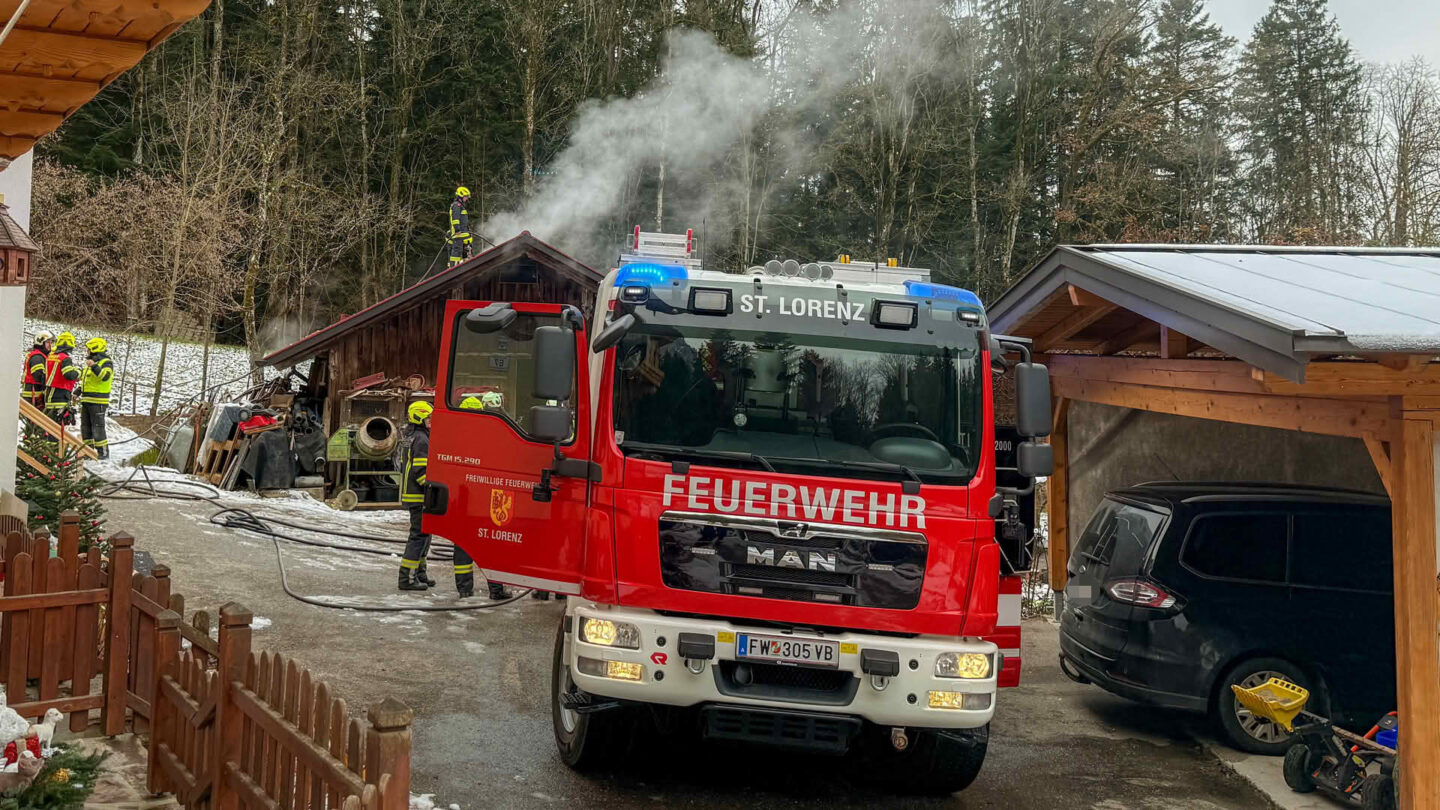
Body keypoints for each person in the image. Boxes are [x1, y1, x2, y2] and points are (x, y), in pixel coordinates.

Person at [399, 401, 435, 591]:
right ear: (419, 418)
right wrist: (434, 488)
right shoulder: (421, 439)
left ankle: (419, 574)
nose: (431, 421)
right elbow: (422, 472)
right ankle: (406, 578)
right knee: (418, 536)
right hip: (419, 496)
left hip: (415, 495)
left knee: (424, 536)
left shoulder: (415, 436)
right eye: (429, 418)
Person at [79, 337, 114, 459]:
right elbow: (85, 381)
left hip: (98, 401)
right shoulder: (90, 362)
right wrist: (77, 392)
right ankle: (88, 453)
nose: (87, 352)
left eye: (88, 349)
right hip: (86, 400)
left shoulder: (106, 362)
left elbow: (105, 376)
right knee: (85, 428)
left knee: (98, 428)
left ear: (95, 349)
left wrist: (94, 366)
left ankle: (103, 454)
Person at [43, 332, 80, 427]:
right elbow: (68, 375)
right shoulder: (65, 358)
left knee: (49, 424)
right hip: (60, 395)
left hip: (49, 393)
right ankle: (54, 441)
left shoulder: (51, 356)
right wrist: (78, 372)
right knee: (56, 427)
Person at [22, 331, 52, 408]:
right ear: (40, 342)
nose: (50, 345)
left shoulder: (39, 355)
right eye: (48, 342)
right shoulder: (37, 357)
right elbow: (38, 376)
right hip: (32, 394)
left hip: (34, 393)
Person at [447, 186, 473, 268]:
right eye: (465, 197)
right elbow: (455, 218)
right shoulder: (457, 206)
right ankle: (453, 269)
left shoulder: (461, 206)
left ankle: (466, 266)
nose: (466, 199)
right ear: (460, 196)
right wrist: (457, 229)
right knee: (456, 251)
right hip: (458, 233)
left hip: (463, 232)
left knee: (467, 248)